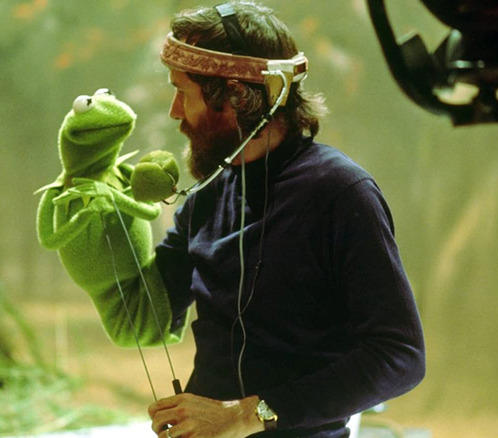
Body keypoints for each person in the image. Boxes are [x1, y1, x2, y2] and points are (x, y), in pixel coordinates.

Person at [76, 2, 425, 437]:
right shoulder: (208, 195)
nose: (174, 112)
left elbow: (400, 357)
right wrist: (92, 213)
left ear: (237, 97)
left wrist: (246, 415)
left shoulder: (339, 192)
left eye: (183, 93)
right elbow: (144, 313)